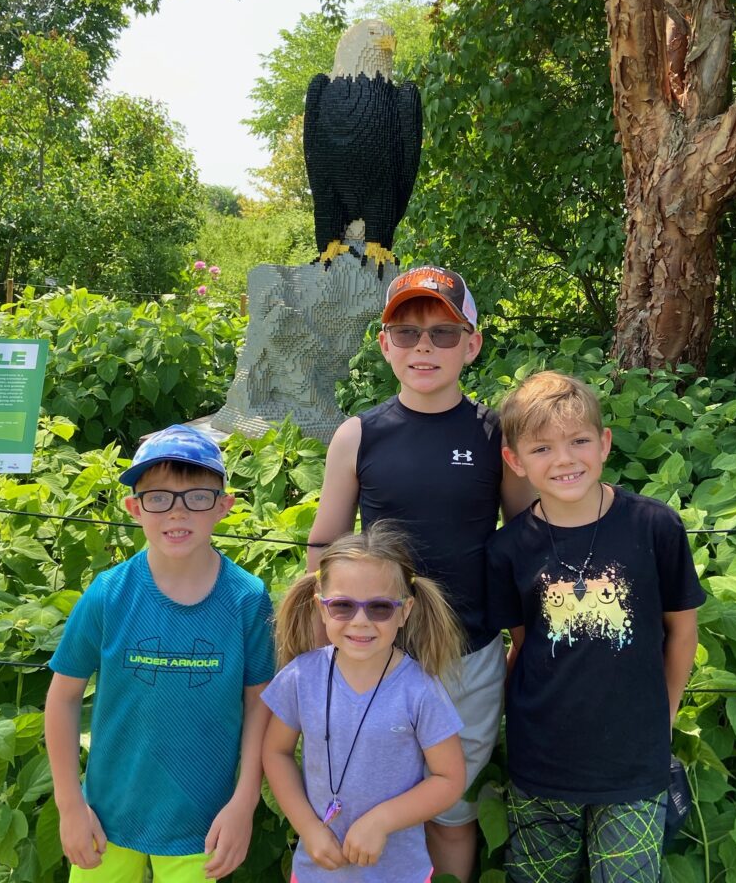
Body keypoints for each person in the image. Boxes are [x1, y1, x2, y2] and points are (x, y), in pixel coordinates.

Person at [307, 265, 532, 882]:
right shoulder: (358, 435)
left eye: (442, 332)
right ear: (384, 345)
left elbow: (521, 545)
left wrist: (521, 640)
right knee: (369, 803)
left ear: (473, 343)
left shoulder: (496, 436)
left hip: (470, 653)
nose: (424, 348)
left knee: (451, 811)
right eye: (406, 334)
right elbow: (324, 547)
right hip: (377, 653)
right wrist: (329, 639)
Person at [486, 371, 705, 883]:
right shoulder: (508, 549)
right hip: (540, 760)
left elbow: (683, 631)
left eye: (579, 441)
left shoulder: (655, 527)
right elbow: (522, 645)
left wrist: (665, 713)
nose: (564, 460)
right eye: (541, 448)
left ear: (604, 444)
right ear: (515, 461)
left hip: (635, 763)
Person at [45, 424, 274, 882]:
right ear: (134, 507)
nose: (177, 513)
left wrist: (244, 801)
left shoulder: (247, 599)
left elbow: (260, 704)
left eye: (197, 497)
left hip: (202, 823)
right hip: (106, 818)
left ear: (223, 507)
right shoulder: (109, 593)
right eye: (159, 497)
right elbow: (63, 696)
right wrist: (70, 804)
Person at [262, 523, 466, 883]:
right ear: (321, 608)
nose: (360, 621)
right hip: (316, 872)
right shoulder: (301, 677)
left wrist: (382, 820)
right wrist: (308, 828)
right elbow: (275, 753)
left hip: (399, 874)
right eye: (342, 606)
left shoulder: (420, 690)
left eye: (380, 608)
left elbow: (449, 778)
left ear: (404, 611)